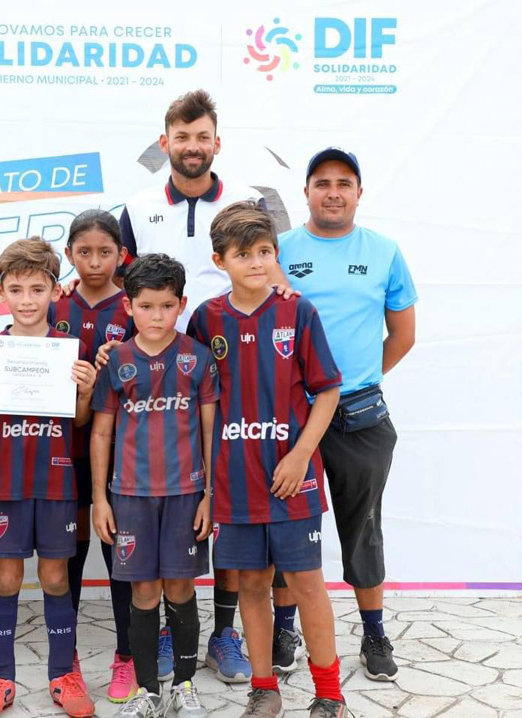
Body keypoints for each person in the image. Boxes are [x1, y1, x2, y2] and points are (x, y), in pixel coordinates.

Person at [118, 89, 265, 683]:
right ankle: (155, 636)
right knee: (155, 501)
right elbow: (123, 284)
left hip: (233, 371)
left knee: (222, 505)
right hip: (159, 377)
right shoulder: (137, 204)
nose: (193, 147)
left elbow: (266, 270)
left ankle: (224, 633)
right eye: (182, 137)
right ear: (166, 144)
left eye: (202, 136)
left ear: (216, 142)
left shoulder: (248, 201)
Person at [188, 202, 347, 717]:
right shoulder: (206, 318)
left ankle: (329, 694)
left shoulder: (298, 311)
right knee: (251, 584)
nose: (256, 263)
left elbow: (327, 391)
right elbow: (190, 398)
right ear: (220, 259)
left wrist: (302, 454)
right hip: (235, 483)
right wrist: (207, 488)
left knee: (306, 584)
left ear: (276, 255)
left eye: (264, 252)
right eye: (243, 254)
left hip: (291, 478)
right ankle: (264, 689)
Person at [269, 148, 417, 682]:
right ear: (305, 191)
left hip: (360, 416)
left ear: (358, 192)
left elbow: (403, 335)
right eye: (322, 182)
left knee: (363, 529)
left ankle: (374, 632)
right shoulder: (278, 250)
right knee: (291, 528)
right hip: (290, 416)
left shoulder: (383, 252)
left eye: (344, 183)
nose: (333, 191)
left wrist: (353, 379)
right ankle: (285, 626)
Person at [0, 237, 98, 718]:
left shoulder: (65, 349)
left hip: (56, 483)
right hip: (5, 483)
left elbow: (79, 421)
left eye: (37, 289)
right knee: (9, 577)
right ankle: (1, 679)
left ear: (54, 291)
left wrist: (86, 390)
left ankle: (63, 673)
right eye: (16, 289)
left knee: (56, 576)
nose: (27, 299)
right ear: (2, 291)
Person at [91, 253, 218, 718]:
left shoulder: (196, 358)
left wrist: (209, 495)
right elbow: (101, 431)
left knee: (180, 591)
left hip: (186, 496)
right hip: (131, 497)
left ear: (181, 304)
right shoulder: (116, 360)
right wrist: (100, 498)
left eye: (167, 305)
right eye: (146, 306)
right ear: (128, 306)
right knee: (143, 593)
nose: (157, 316)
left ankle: (183, 685)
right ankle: (147, 690)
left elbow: (208, 431)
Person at [49, 210, 139, 702]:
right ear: (69, 256)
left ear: (122, 255)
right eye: (83, 252)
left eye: (105, 252)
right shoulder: (54, 303)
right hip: (63, 451)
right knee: (71, 553)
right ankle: (70, 658)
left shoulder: (133, 308)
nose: (95, 261)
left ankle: (127, 656)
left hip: (121, 452)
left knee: (119, 552)